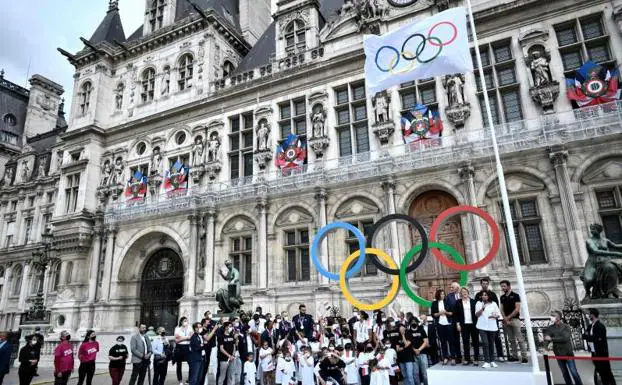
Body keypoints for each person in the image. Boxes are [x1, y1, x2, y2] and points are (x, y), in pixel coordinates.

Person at [545, 311, 583, 385]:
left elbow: (565, 338)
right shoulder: (550, 328)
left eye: (553, 315)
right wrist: (545, 347)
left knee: (573, 372)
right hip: (558, 353)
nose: (551, 317)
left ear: (559, 317)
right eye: (551, 315)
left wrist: (552, 339)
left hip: (567, 353)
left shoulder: (566, 327)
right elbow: (546, 338)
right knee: (564, 373)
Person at [583, 308, 616, 385]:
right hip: (594, 352)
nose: (588, 316)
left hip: (601, 352)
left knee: (607, 371)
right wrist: (590, 336)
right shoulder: (590, 326)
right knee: (600, 371)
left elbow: (597, 339)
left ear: (592, 315)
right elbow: (584, 336)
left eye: (589, 314)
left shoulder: (600, 326)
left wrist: (590, 336)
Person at [475, 278, 504, 362]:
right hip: (482, 321)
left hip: (492, 321)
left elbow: (496, 307)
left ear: (488, 284)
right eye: (483, 283)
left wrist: (495, 316)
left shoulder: (493, 294)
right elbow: (476, 309)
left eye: (486, 283)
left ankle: (500, 355)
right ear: (481, 284)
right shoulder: (478, 295)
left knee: (496, 338)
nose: (485, 285)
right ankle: (487, 358)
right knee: (485, 342)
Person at [500, 280, 528, 364]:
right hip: (506, 321)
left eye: (504, 286)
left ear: (509, 286)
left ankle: (524, 357)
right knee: (511, 339)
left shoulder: (516, 295)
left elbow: (517, 309)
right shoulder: (502, 297)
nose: (503, 288)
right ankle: (515, 356)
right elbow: (501, 309)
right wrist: (505, 318)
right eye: (502, 286)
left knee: (520, 339)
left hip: (515, 319)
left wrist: (508, 317)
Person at [475, 291, 500, 369]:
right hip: (482, 326)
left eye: (485, 295)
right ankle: (486, 361)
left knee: (491, 343)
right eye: (482, 295)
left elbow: (498, 314)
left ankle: (492, 360)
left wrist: (495, 315)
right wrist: (482, 308)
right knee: (485, 343)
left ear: (489, 296)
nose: (483, 296)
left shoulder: (494, 304)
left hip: (492, 326)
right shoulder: (479, 303)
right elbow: (476, 314)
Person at [455, 287, 479, 366]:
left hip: (473, 324)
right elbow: (456, 314)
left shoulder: (473, 301)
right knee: (465, 342)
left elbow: (477, 313)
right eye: (462, 292)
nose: (464, 293)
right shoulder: (458, 302)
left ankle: (476, 359)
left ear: (468, 293)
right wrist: (458, 324)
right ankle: (467, 358)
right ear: (460, 294)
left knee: (475, 342)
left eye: (465, 291)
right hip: (464, 324)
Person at [431, 289, 455, 365]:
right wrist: (439, 313)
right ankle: (445, 357)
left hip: (448, 324)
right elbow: (433, 314)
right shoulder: (434, 303)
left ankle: (453, 358)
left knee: (451, 341)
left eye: (443, 294)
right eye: (441, 294)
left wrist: (446, 312)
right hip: (440, 324)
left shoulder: (448, 302)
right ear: (438, 295)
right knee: (443, 341)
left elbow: (452, 313)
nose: (443, 295)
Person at [446, 281, 462, 364]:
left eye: (453, 287)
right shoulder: (449, 297)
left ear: (457, 287)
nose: (451, 289)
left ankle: (467, 357)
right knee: (454, 340)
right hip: (453, 320)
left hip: (463, 320)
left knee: (466, 339)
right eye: (451, 287)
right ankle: (455, 357)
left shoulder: (462, 295)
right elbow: (447, 308)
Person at [200, 317, 220, 385]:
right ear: (203, 323)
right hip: (204, 352)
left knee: (206, 368)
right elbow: (207, 338)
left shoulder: (208, 329)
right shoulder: (202, 330)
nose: (209, 323)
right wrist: (214, 329)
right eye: (207, 322)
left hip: (209, 350)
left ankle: (204, 382)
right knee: (203, 369)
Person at [409, 319, 429, 385]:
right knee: (415, 374)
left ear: (417, 322)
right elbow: (408, 343)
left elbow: (426, 341)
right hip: (413, 355)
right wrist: (414, 350)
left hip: (423, 353)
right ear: (410, 323)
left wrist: (419, 350)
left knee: (425, 373)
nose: (413, 323)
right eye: (412, 322)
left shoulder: (421, 330)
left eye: (415, 321)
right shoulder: (408, 332)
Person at [174, 317, 192, 385]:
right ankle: (180, 380)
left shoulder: (189, 327)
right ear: (181, 321)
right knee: (179, 365)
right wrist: (187, 337)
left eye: (187, 321)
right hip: (179, 347)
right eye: (184, 321)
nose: (186, 322)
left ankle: (189, 379)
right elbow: (177, 339)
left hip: (187, 347)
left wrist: (182, 338)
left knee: (190, 363)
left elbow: (191, 337)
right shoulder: (177, 328)